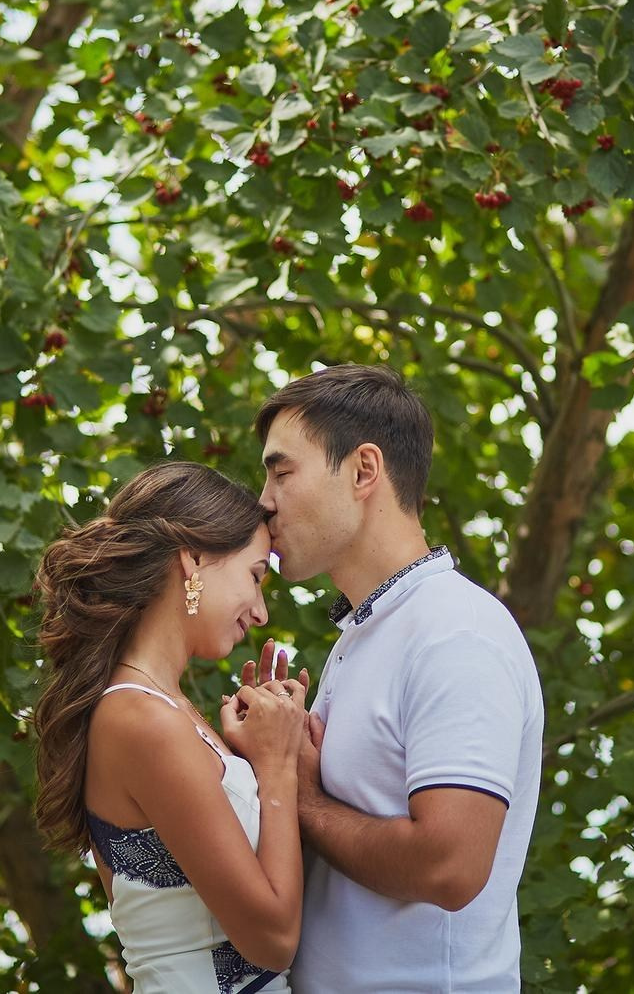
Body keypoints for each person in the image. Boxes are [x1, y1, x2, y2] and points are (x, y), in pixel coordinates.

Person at [256, 365, 544, 993]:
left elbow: (450, 867)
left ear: (364, 471)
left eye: (281, 472)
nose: (264, 500)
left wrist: (300, 796)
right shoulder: (367, 632)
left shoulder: (455, 631)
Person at [30, 461, 309, 992]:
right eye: (254, 577)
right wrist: (277, 769)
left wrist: (261, 753)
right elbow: (273, 938)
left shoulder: (166, 710)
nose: (261, 611)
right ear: (195, 561)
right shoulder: (140, 719)